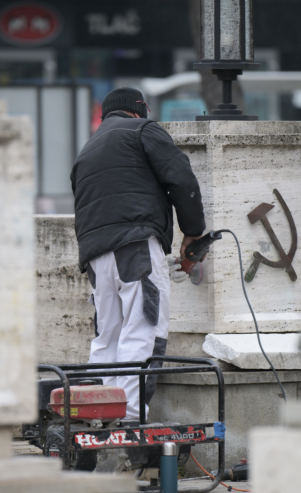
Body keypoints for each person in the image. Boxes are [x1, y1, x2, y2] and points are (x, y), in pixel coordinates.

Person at [70, 87, 206, 423]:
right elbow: (181, 177)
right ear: (138, 110)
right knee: (143, 328)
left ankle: (98, 416)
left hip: (95, 255)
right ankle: (130, 419)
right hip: (134, 243)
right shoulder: (143, 129)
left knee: (108, 336)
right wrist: (193, 231)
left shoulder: (87, 150)